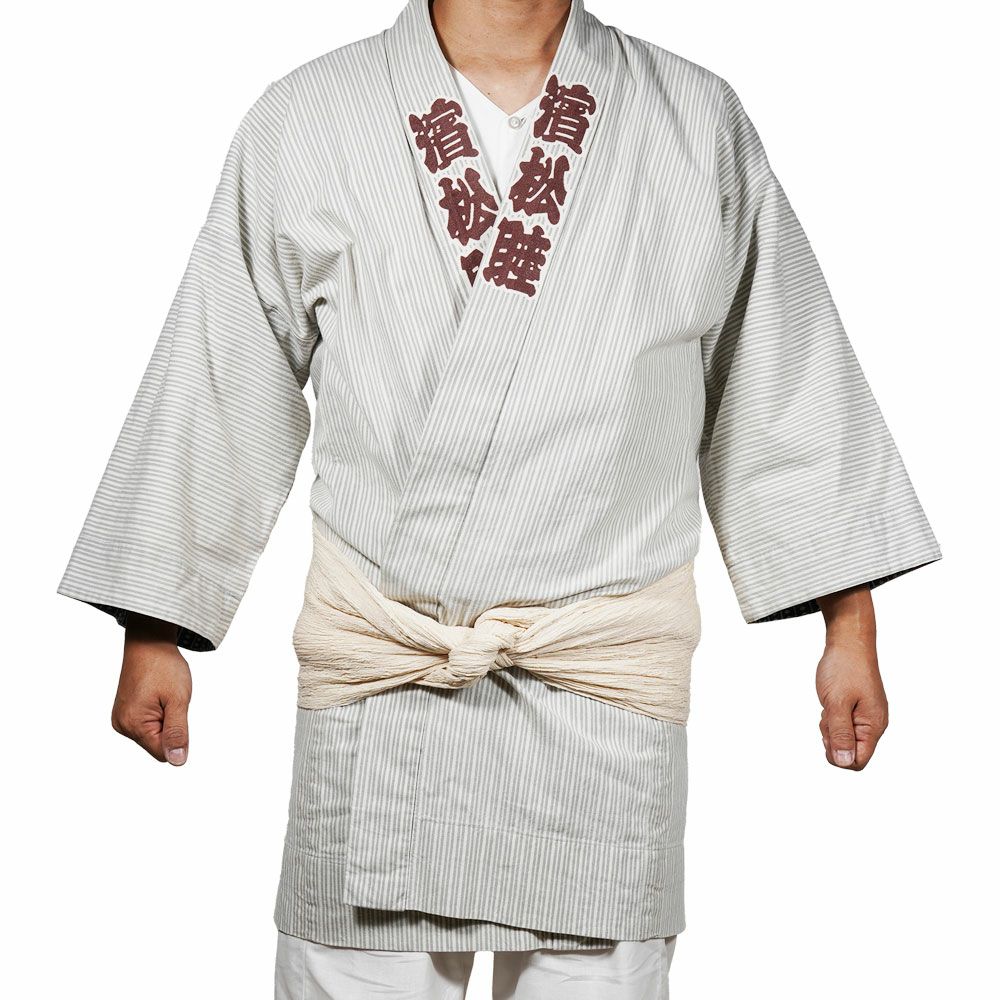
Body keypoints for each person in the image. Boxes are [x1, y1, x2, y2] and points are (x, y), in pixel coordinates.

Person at [56, 0, 942, 996]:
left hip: (601, 693)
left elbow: (779, 374)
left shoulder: (694, 118)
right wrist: (154, 628)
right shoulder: (309, 115)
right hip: (388, 683)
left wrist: (848, 624)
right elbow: (221, 374)